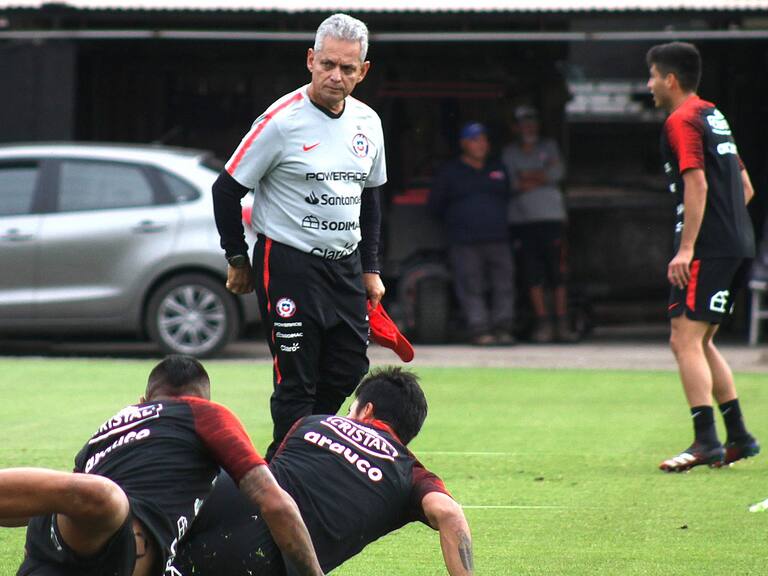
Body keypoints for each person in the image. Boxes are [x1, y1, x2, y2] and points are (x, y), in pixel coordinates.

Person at [211, 13, 387, 460]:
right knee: (296, 378)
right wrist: (236, 258)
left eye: (348, 68)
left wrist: (371, 268)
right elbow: (226, 189)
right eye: (327, 64)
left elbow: (370, 198)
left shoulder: (369, 122)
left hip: (344, 264)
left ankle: (292, 454)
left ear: (363, 71)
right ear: (311, 60)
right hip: (288, 262)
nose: (336, 75)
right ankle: (290, 477)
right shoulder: (280, 122)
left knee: (349, 367)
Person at [0, 355, 323, 576]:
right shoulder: (205, 413)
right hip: (108, 530)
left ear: (144, 400)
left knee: (99, 498)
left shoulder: (114, 423)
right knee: (106, 497)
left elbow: (51, 504)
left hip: (60, 540)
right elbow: (274, 502)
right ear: (202, 399)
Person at [169, 367, 474, 576]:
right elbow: (448, 513)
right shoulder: (410, 472)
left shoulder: (312, 422)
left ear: (366, 410)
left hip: (212, 502)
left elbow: (268, 475)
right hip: (273, 555)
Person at [646, 42, 760, 472]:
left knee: (684, 339)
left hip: (708, 248)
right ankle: (740, 436)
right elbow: (744, 187)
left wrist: (689, 248)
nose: (650, 84)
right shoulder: (714, 115)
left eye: (653, 75)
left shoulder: (681, 120)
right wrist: (726, 230)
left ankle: (706, 442)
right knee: (703, 339)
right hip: (735, 242)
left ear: (670, 80)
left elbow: (697, 183)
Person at [428, 122, 516, 346]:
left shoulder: (498, 168)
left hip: (498, 237)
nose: (481, 144)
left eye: (484, 139)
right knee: (470, 285)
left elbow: (508, 196)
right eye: (475, 140)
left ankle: (503, 328)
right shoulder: (450, 172)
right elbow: (435, 205)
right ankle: (479, 330)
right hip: (464, 240)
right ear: (464, 143)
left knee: (503, 284)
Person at [501, 105, 578, 343]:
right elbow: (513, 183)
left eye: (532, 122)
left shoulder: (549, 147)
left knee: (558, 272)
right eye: (523, 123)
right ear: (515, 127)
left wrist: (530, 177)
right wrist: (540, 176)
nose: (528, 127)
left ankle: (561, 322)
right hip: (523, 220)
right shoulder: (509, 153)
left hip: (552, 218)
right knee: (532, 274)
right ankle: (542, 323)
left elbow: (557, 173)